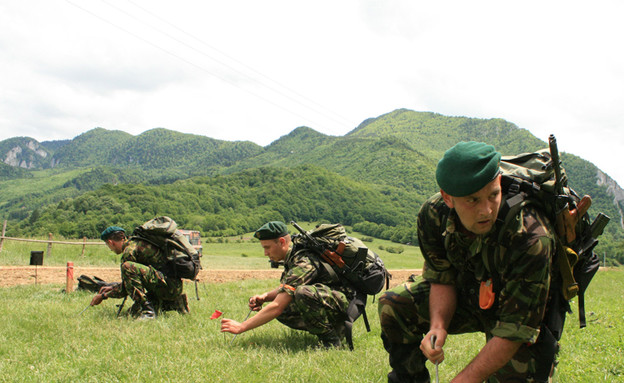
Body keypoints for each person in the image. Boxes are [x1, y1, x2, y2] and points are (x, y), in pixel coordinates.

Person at [378, 141, 556, 382]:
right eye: (472, 200)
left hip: (517, 312)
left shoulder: (531, 237)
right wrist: (438, 325)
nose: (486, 210)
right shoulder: (434, 214)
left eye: (493, 194)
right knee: (394, 303)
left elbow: (514, 331)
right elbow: (442, 277)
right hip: (474, 294)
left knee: (514, 371)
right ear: (448, 198)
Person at [220, 221, 355, 348]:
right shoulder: (293, 257)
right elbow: (285, 289)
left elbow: (277, 306)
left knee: (302, 293)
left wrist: (241, 327)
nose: (265, 253)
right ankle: (326, 329)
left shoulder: (303, 262)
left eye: (267, 247)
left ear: (282, 242)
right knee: (287, 305)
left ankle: (331, 340)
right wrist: (265, 297)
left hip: (344, 302)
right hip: (329, 299)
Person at [90, 226, 189, 319]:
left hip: (168, 286)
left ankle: (148, 312)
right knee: (132, 313)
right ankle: (175, 302)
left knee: (128, 267)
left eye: (108, 246)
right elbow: (130, 283)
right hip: (172, 285)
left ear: (111, 242)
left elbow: (125, 288)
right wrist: (112, 288)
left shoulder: (129, 251)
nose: (110, 249)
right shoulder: (136, 243)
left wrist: (103, 296)